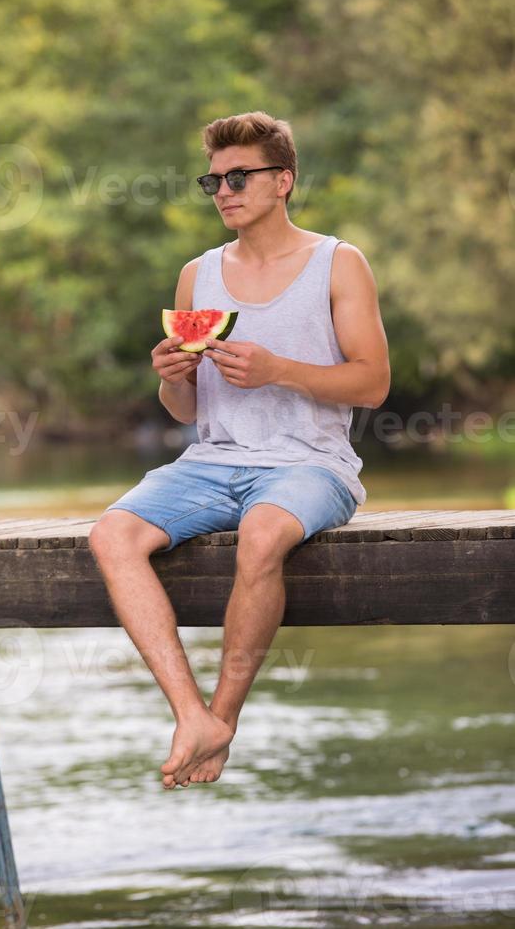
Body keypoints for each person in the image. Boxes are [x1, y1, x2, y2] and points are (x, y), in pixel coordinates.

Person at [88, 110, 391, 791]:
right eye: (213, 180)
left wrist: (279, 368)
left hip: (311, 465)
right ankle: (188, 713)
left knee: (260, 537)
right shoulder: (197, 275)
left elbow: (373, 383)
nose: (223, 190)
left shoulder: (337, 262)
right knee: (111, 535)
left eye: (238, 176)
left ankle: (222, 718)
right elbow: (187, 412)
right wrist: (173, 379)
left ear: (282, 180)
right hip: (210, 464)